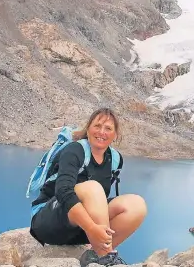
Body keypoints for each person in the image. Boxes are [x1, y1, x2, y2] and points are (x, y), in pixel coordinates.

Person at [30, 108, 147, 266]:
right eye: (97, 126)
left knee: (136, 204)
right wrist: (91, 227)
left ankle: (93, 254)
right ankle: (106, 257)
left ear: (115, 134)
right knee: (93, 188)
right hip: (49, 222)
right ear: (88, 128)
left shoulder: (115, 159)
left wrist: (93, 229)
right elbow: (63, 191)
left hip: (82, 229)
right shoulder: (75, 150)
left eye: (108, 128)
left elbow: (100, 200)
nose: (101, 132)